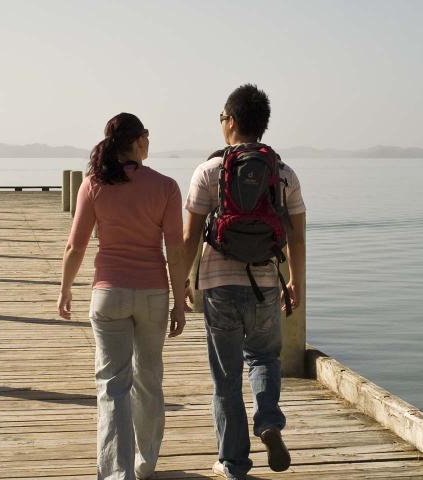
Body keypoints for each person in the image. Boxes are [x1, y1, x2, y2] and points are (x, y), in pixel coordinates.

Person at [182, 84, 306, 479]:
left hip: (219, 286)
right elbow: (297, 236)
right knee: (264, 358)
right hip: (266, 283)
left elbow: (189, 236)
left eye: (222, 117)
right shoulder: (283, 173)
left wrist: (182, 282)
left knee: (226, 377)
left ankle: (234, 463)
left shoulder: (208, 171)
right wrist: (294, 282)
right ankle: (268, 420)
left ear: (231, 121)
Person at [58, 113, 187, 480]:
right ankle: (145, 464)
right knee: (149, 379)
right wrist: (180, 302)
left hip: (109, 293)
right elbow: (175, 250)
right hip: (153, 294)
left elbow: (75, 246)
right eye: (147, 137)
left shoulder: (93, 184)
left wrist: (65, 288)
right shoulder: (166, 186)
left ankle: (118, 473)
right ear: (139, 140)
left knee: (113, 385)